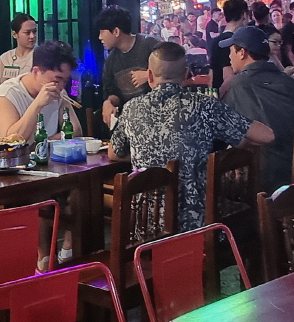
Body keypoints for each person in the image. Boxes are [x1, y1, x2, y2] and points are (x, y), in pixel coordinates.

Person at [109, 42, 275, 232]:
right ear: (186, 74)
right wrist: (240, 139)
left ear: (150, 76)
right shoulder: (204, 106)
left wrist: (153, 153)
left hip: (146, 228)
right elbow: (267, 136)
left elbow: (114, 153)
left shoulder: (131, 108)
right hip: (196, 226)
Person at [220, 25, 294, 192]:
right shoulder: (293, 83)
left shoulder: (239, 84)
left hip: (267, 179)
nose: (229, 56)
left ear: (242, 52)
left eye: (231, 51)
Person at [0, 41, 83, 140]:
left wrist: (45, 142)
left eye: (65, 81)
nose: (61, 86)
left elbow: (75, 131)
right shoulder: (6, 94)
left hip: (44, 149)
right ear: (36, 71)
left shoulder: (60, 93)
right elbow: (11, 140)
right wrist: (38, 104)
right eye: (57, 79)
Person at [97, 6, 159, 121]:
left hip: (157, 115)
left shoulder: (151, 44)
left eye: (102, 32)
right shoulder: (111, 60)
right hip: (131, 121)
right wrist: (109, 102)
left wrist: (149, 75)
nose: (100, 37)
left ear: (116, 31)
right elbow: (113, 93)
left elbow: (174, 71)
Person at [209, 0, 249, 95]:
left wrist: (212, 97)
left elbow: (211, 74)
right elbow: (229, 77)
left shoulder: (217, 40)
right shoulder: (232, 41)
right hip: (229, 98)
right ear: (244, 15)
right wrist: (218, 99)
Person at [0, 13, 37, 83]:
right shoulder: (6, 58)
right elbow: (3, 85)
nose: (32, 36)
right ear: (15, 34)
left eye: (34, 32)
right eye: (27, 33)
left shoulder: (43, 55)